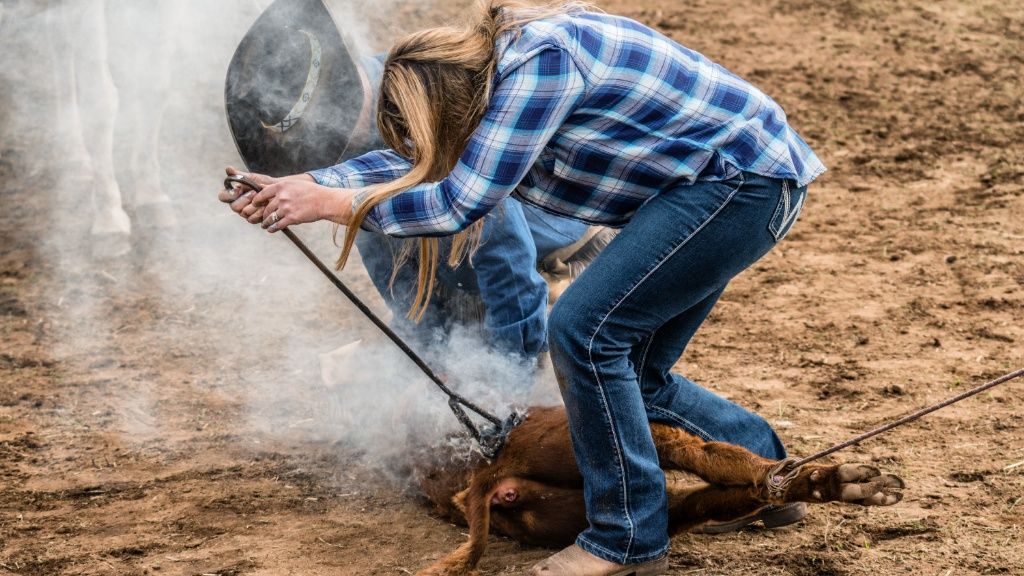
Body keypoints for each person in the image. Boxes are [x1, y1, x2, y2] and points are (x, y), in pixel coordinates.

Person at [220, 1, 825, 574]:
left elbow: (460, 199)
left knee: (583, 333)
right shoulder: (488, 78)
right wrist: (295, 188)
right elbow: (410, 168)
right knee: (634, 373)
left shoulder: (538, 68)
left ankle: (628, 537)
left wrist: (327, 200)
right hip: (718, 188)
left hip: (739, 184)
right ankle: (770, 479)